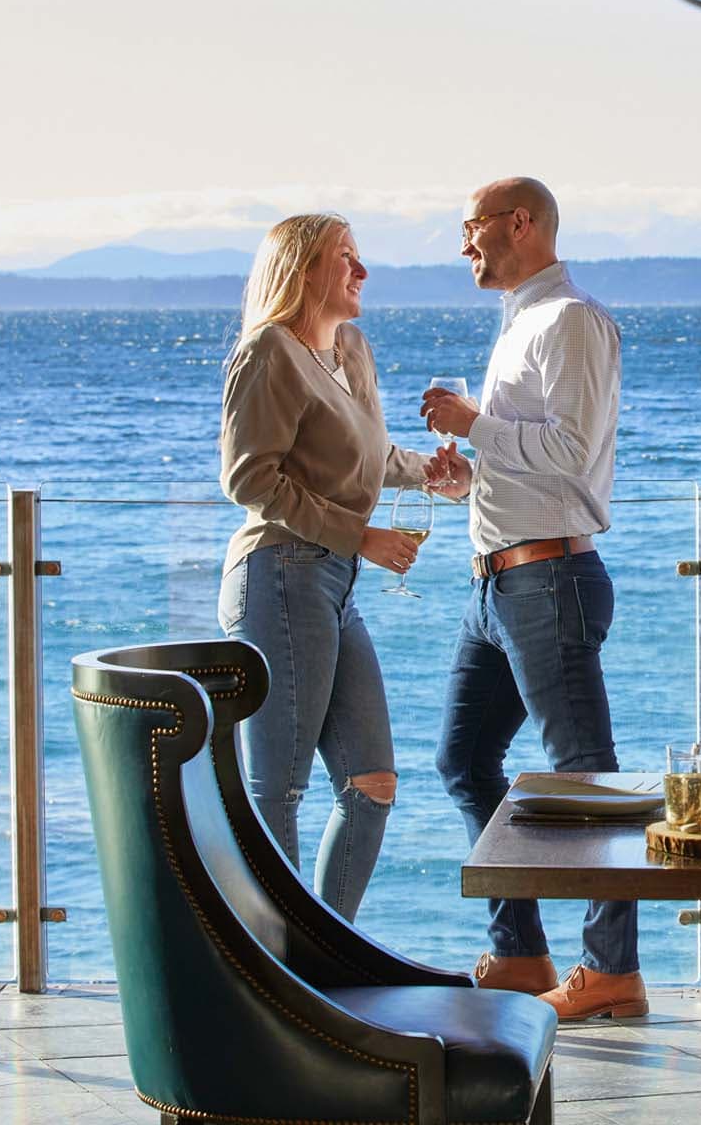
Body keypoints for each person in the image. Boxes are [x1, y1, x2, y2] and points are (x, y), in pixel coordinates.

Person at [420, 176, 640, 1020]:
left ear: (521, 224)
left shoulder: (569, 320)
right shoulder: (518, 321)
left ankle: (612, 971)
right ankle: (520, 955)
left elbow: (572, 452)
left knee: (584, 779)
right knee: (464, 762)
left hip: (548, 581)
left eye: (471, 227)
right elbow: (534, 463)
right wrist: (467, 481)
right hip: (499, 582)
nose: (464, 244)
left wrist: (472, 423)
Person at [218, 212, 429, 921]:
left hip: (333, 582)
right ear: (303, 269)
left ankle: (326, 950)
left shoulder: (352, 349)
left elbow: (366, 460)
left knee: (372, 783)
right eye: (346, 257)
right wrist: (359, 535)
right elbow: (250, 481)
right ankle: (276, 967)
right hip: (279, 574)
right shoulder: (267, 353)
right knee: (277, 788)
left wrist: (432, 471)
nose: (362, 271)